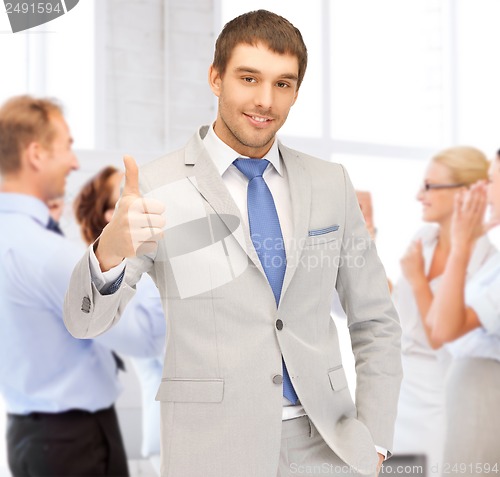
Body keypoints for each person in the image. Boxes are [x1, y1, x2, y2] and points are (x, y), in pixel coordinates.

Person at [64, 10, 402, 477]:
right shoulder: (158, 186)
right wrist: (110, 251)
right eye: (249, 78)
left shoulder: (330, 183)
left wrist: (376, 441)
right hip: (212, 450)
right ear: (216, 78)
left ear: (296, 92)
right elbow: (85, 324)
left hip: (329, 447)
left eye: (283, 84)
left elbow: (375, 318)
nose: (265, 100)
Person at [0, 95, 129, 477]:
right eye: (68, 146)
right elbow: (142, 335)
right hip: (72, 443)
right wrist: (141, 257)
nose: (74, 162)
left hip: (30, 434)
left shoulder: (21, 240)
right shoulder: (44, 252)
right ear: (36, 154)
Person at [390, 147, 495, 473]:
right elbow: (397, 312)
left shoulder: (485, 262)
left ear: (466, 193)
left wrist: (420, 281)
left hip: (442, 395)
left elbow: (443, 334)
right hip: (400, 394)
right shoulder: (423, 239)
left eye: (431, 186)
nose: (420, 195)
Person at [73, 166, 166, 475]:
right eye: (123, 197)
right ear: (106, 219)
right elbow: (153, 338)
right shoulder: (114, 288)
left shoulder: (152, 264)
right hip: (170, 440)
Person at [422, 151, 500, 476]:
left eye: (492, 180)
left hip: (481, 392)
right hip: (465, 391)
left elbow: (443, 328)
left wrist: (461, 247)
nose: (485, 190)